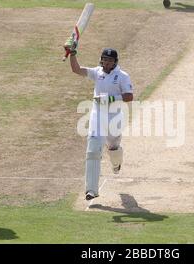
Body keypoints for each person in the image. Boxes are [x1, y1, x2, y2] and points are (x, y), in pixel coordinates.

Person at [64, 40, 134, 201]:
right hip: (97, 117)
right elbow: (76, 69)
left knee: (113, 148)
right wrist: (72, 54)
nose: (107, 62)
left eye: (110, 60)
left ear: (115, 62)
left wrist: (109, 98)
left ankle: (116, 165)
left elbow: (129, 96)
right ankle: (91, 190)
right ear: (101, 60)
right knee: (93, 151)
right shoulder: (97, 72)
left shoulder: (122, 76)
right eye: (105, 59)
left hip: (115, 118)